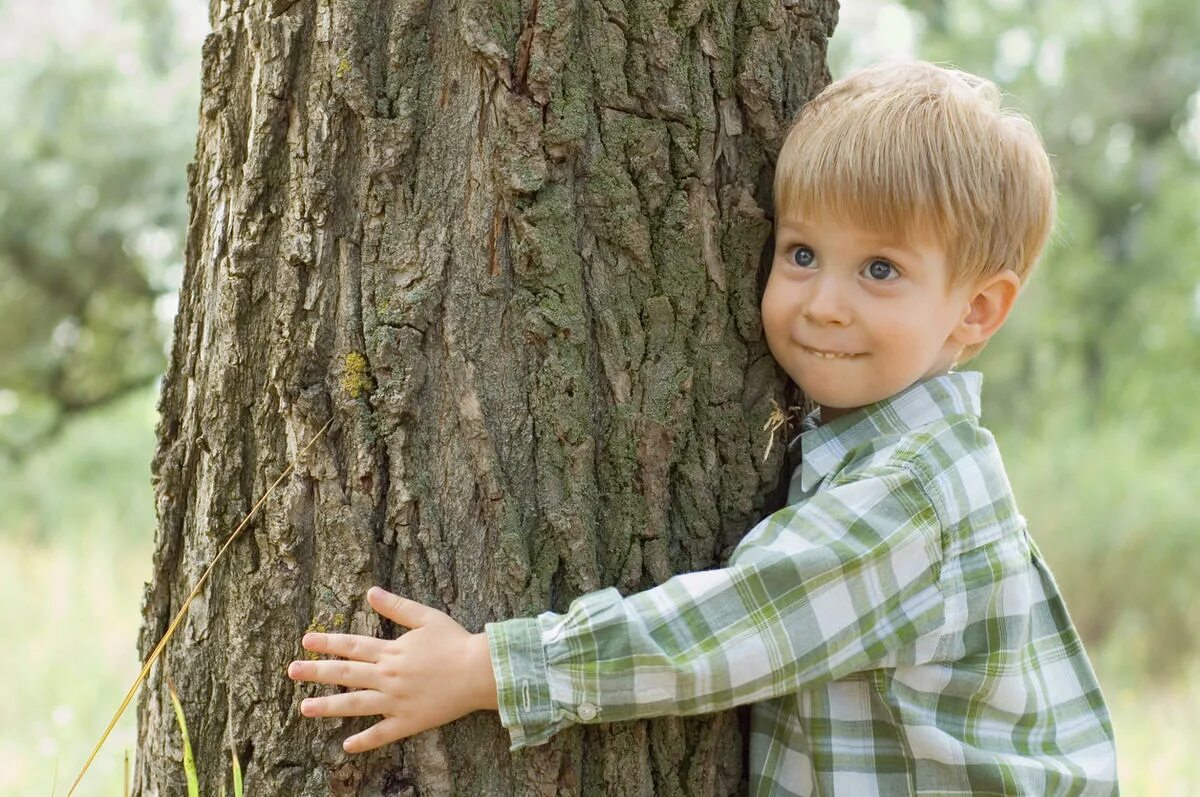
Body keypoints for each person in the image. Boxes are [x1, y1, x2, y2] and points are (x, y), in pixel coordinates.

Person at [287, 61, 1119, 795]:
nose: (825, 301)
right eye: (801, 253)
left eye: (880, 269)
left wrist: (491, 669)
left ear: (977, 309)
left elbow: (731, 627)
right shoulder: (872, 450)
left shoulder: (912, 498)